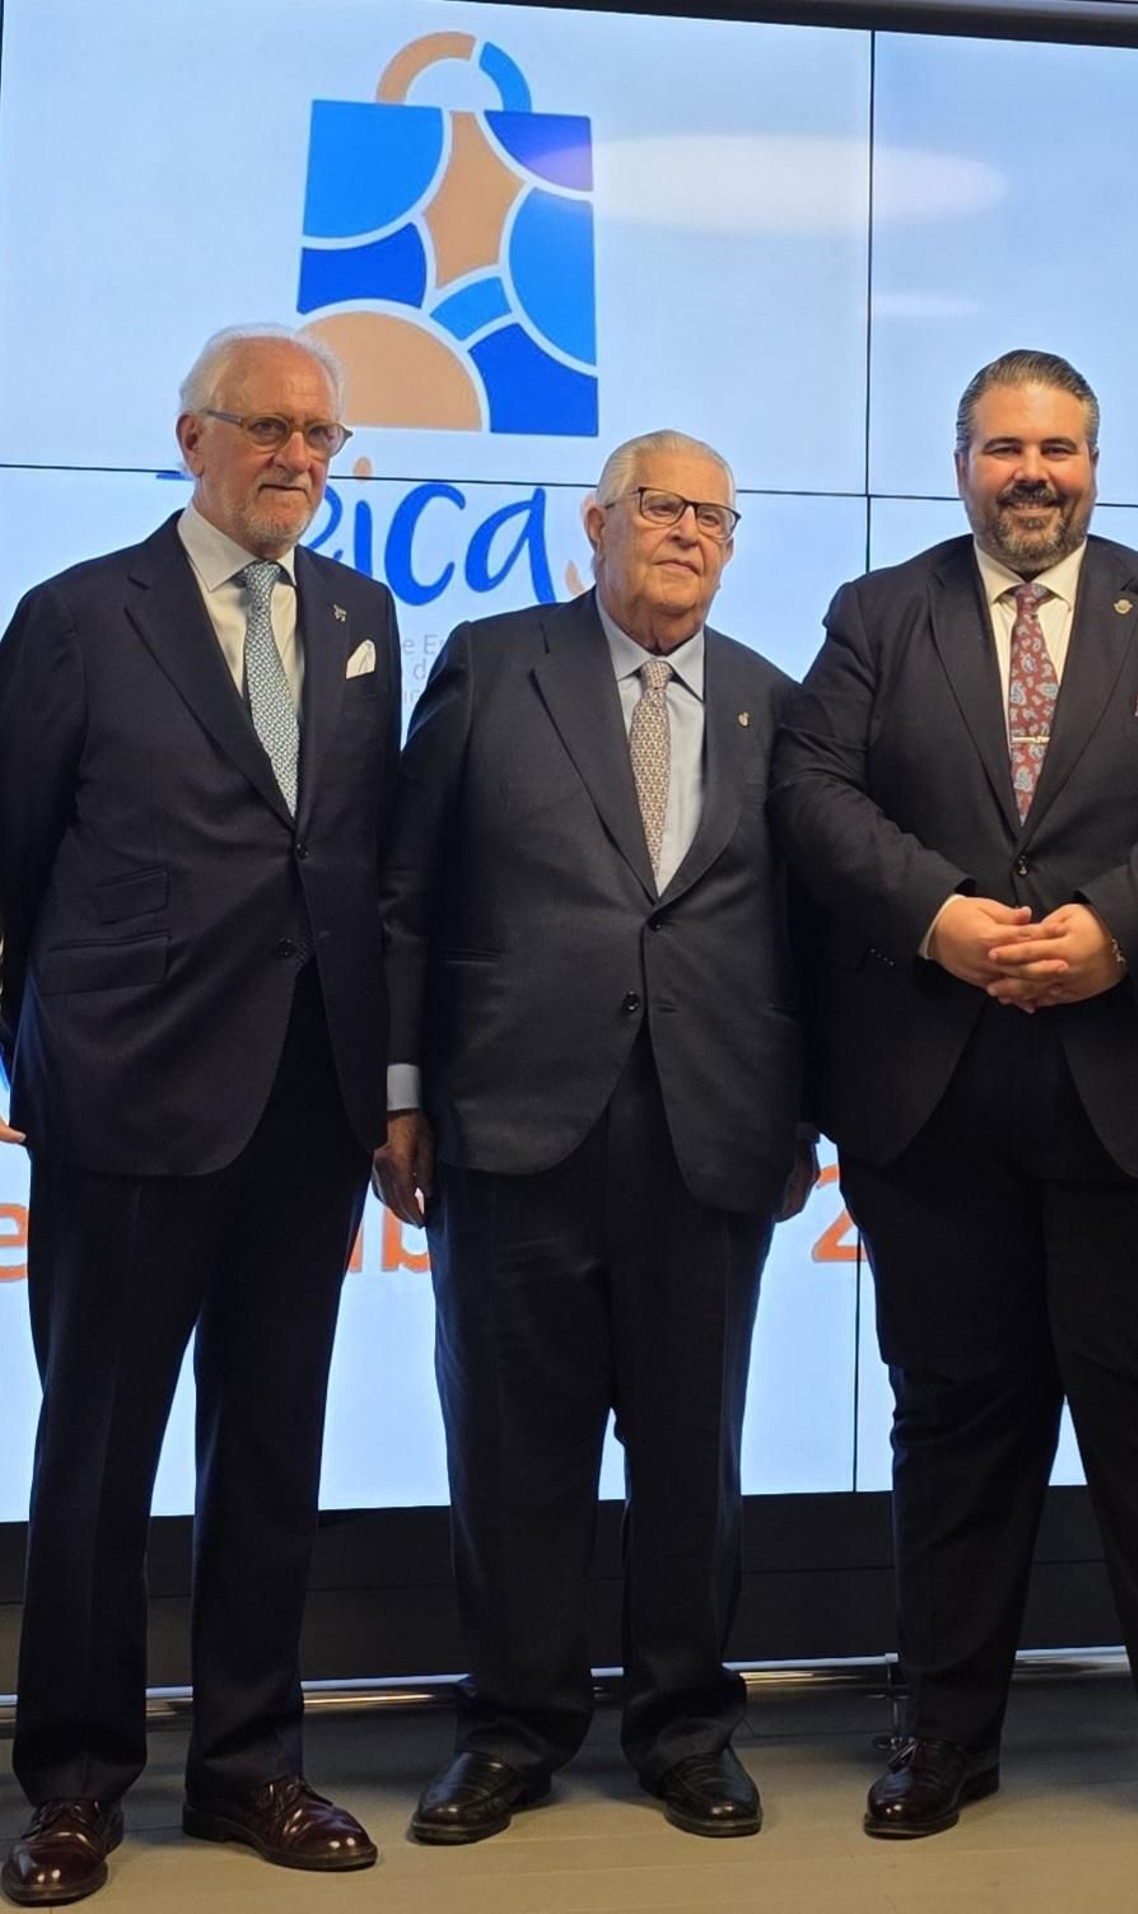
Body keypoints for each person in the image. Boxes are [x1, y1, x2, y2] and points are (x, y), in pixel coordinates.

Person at [770, 349, 1138, 1864]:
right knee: (955, 1423)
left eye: (1058, 448)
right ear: (961, 463)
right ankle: (943, 1733)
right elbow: (811, 791)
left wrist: (1116, 927)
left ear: (1095, 462)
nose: (1032, 473)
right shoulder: (877, 615)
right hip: (938, 1099)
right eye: (1004, 447)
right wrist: (938, 916)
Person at [0, 325, 400, 1904]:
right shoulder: (77, 615)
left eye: (321, 434)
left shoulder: (362, 616)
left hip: (309, 1103)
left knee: (274, 1448)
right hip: (127, 1103)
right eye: (269, 427)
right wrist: (37, 1065)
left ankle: (249, 1765)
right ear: (193, 438)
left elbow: (359, 866)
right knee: (98, 1457)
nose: (299, 456)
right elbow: (13, 866)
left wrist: (389, 1085)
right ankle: (73, 1782)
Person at [374, 430, 816, 1846]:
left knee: (693, 1453)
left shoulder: (772, 701)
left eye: (713, 516)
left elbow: (807, 933)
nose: (687, 533)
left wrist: (804, 1116)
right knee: (514, 1450)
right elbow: (407, 890)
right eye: (659, 506)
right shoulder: (492, 663)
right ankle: (511, 1727)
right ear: (596, 521)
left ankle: (686, 1729)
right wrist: (399, 1089)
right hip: (514, 1125)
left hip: (711, 1130)